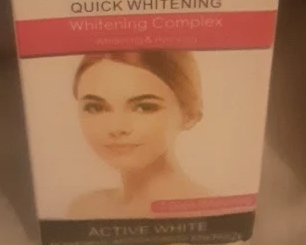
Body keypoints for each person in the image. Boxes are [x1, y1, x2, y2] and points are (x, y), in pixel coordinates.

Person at [69, 50, 207, 219]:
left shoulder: (208, 213)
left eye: (143, 107)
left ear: (189, 115)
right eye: (95, 108)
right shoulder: (85, 209)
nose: (116, 127)